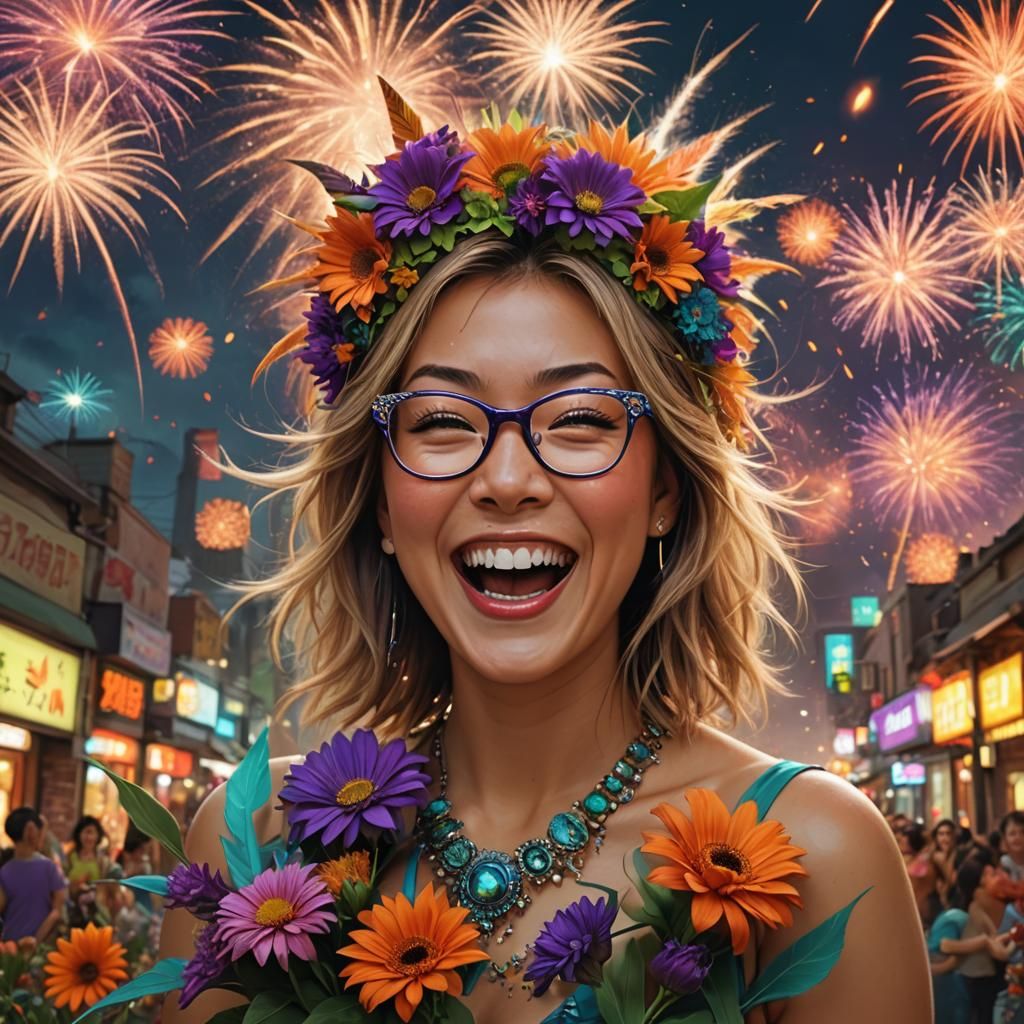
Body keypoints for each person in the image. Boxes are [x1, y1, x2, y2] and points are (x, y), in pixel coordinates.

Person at [159, 102, 931, 1024]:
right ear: (379, 504)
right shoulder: (253, 846)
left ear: (665, 492)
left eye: (580, 421)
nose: (509, 478)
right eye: (443, 423)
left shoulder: (815, 854)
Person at [929, 854, 1014, 1024]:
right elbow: (946, 945)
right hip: (976, 979)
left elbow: (993, 938)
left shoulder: (974, 910)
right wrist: (1009, 942)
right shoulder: (970, 911)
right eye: (988, 875)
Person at [955, 849, 1018, 1023]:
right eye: (989, 875)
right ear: (979, 885)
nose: (998, 876)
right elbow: (999, 951)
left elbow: (994, 939)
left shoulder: (977, 907)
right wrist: (1015, 939)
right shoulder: (979, 905)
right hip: (982, 978)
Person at [0, 807, 67, 942]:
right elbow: (57, 911)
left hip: (11, 946)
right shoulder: (49, 867)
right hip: (40, 947)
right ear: (31, 830)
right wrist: (36, 939)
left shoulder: (5, 871)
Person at [901, 822, 943, 926]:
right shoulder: (915, 859)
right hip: (916, 908)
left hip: (923, 909)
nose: (900, 844)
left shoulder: (925, 859)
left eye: (903, 842)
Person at [934, 818, 959, 905]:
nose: (944, 838)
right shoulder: (933, 857)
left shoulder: (959, 856)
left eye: (948, 834)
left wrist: (943, 863)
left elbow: (952, 882)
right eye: (941, 834)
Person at [1002, 812, 1024, 883]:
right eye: (1012, 833)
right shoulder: (1000, 865)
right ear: (1005, 838)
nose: (1018, 837)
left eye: (1023, 832)